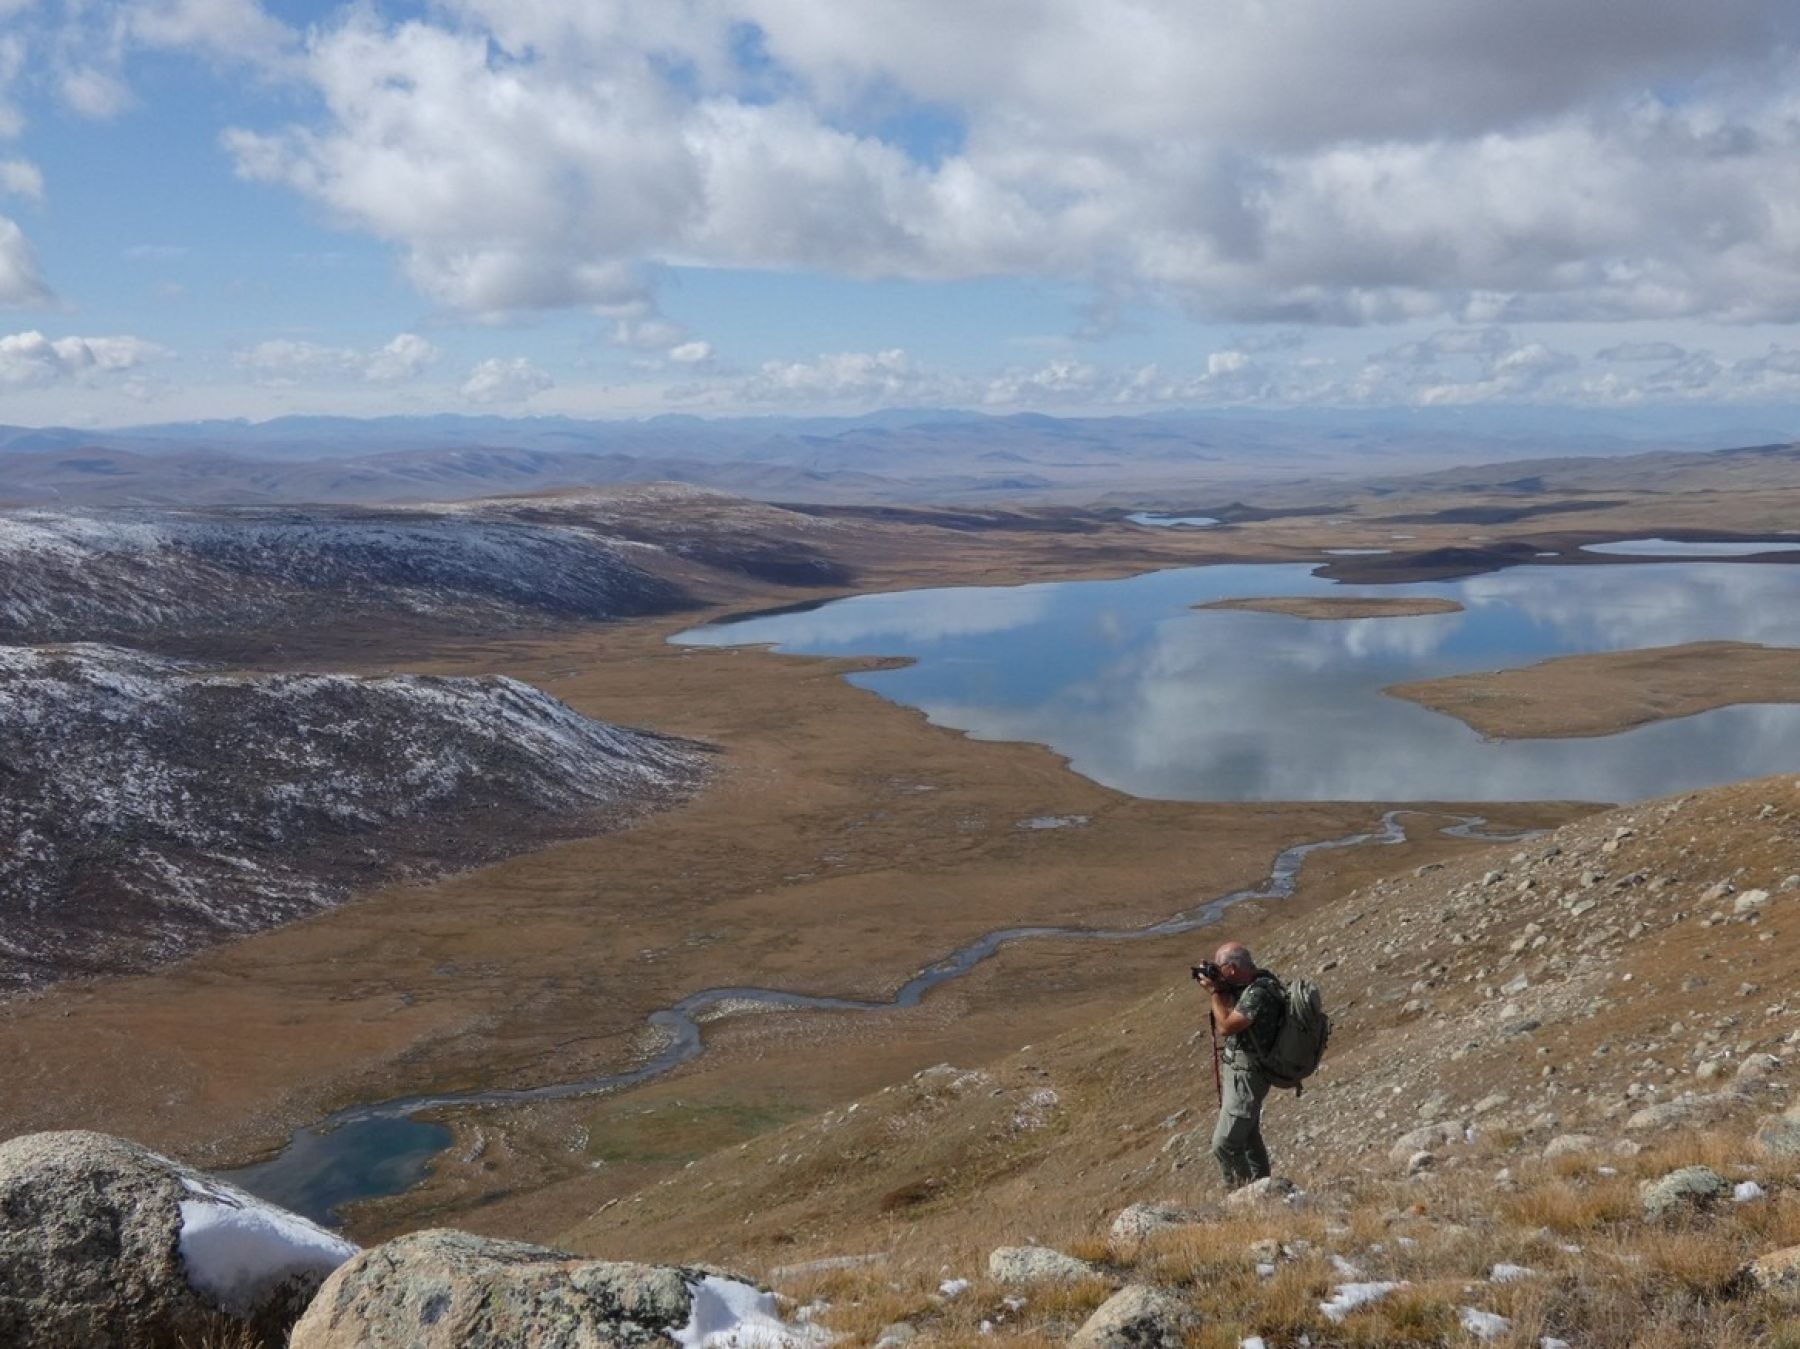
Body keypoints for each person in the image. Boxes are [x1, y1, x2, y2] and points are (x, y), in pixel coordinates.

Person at [1196, 940, 1283, 1189]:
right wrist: (1222, 987)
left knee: (1225, 1143)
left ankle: (1243, 1199)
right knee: (1247, 1137)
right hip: (1243, 1072)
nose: (1218, 972)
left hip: (1248, 1075)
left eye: (1220, 967)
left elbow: (1226, 1026)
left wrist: (1216, 993)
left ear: (1232, 968)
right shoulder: (1256, 983)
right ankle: (1265, 1189)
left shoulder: (1258, 992)